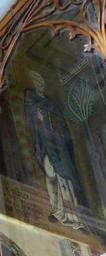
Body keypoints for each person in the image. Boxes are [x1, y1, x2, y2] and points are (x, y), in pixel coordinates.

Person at [24, 70, 87, 231]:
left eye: (40, 82)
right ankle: (56, 210)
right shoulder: (31, 101)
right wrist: (39, 118)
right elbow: (32, 121)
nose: (38, 84)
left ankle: (73, 216)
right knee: (50, 175)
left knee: (64, 177)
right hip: (45, 145)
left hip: (59, 147)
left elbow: (62, 126)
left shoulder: (51, 104)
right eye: (35, 81)